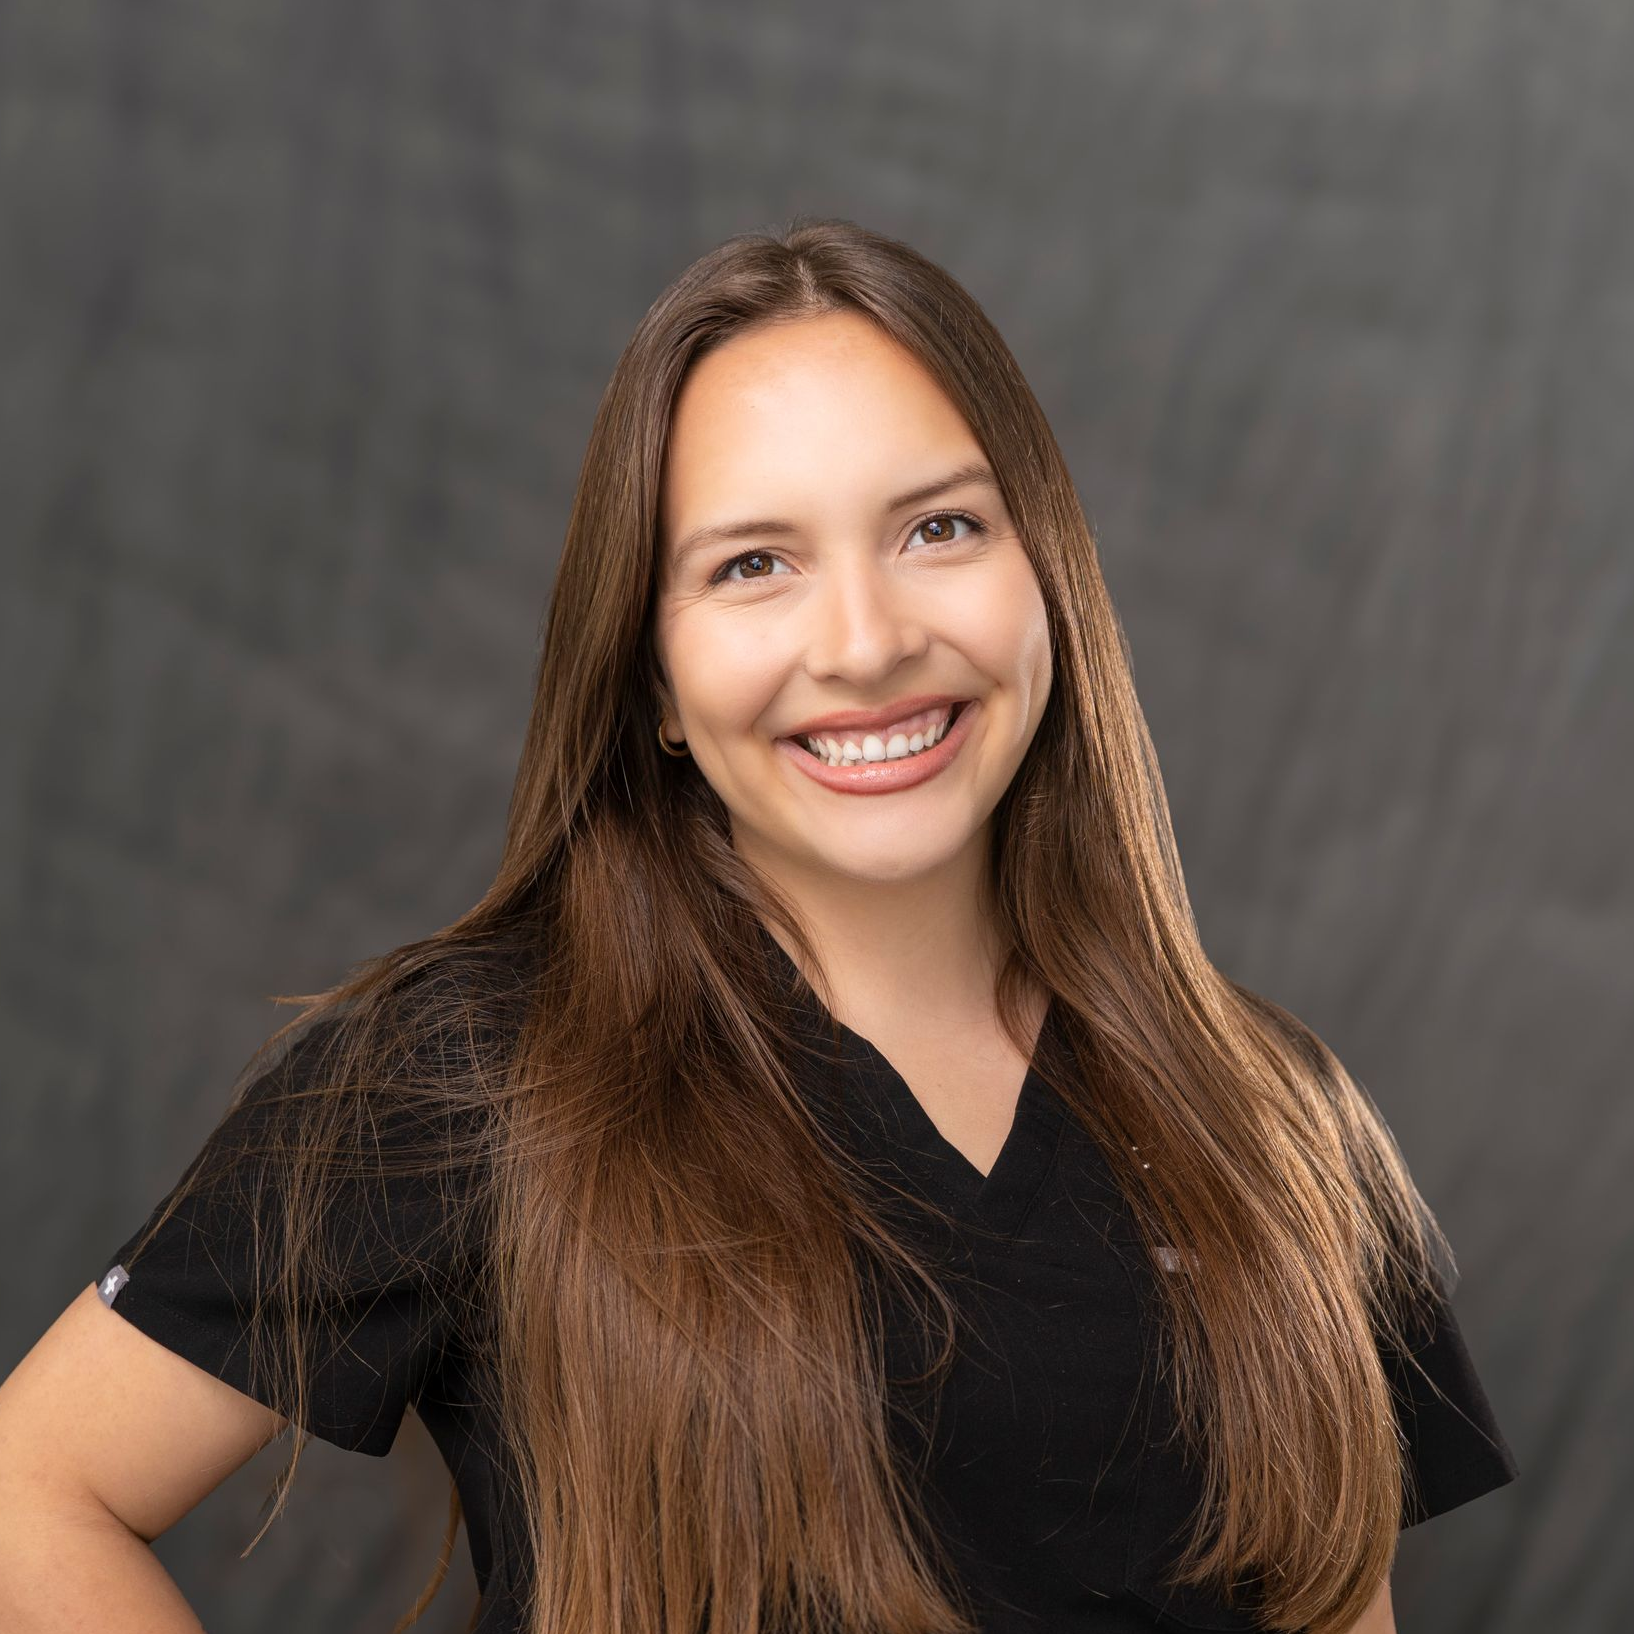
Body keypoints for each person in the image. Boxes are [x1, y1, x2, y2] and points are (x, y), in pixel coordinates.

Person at [0, 218, 1517, 1634]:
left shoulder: (1275, 1122)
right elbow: (33, 1494)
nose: (864, 641)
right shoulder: (474, 1074)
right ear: (653, 680)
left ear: (1048, 577)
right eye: (752, 565)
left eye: (938, 528)